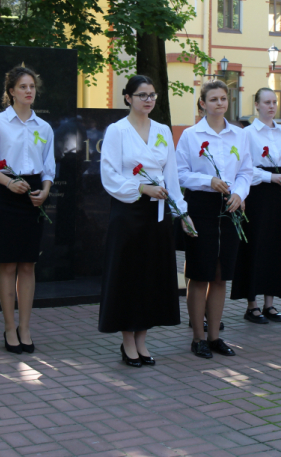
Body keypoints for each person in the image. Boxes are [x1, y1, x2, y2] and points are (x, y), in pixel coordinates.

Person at [98, 75, 196, 367]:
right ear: (128, 98)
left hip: (157, 216)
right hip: (128, 214)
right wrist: (140, 187)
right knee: (128, 278)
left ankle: (142, 339)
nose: (149, 99)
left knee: (150, 279)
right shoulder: (117, 131)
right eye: (142, 95)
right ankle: (127, 340)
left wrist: (183, 214)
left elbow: (173, 178)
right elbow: (110, 175)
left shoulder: (163, 130)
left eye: (152, 94)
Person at [0, 66, 55, 354]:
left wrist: (45, 191)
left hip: (33, 195)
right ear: (11, 91)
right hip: (5, 195)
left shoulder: (44, 127)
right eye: (23, 87)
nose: (29, 91)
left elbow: (48, 167)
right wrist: (9, 184)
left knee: (28, 263)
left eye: (32, 86)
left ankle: (25, 326)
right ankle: (9, 327)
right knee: (7, 263)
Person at [176, 80, 253, 359]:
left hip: (230, 207)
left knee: (221, 275)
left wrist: (240, 193)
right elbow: (180, 174)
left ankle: (215, 337)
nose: (220, 103)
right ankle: (198, 338)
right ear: (202, 103)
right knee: (199, 274)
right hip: (201, 206)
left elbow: (246, 171)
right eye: (213, 99)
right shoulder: (190, 135)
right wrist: (208, 180)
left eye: (223, 98)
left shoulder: (240, 135)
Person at [231, 88, 281, 324]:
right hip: (256, 196)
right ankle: (251, 304)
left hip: (279, 196)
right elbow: (241, 167)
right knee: (255, 247)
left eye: (274, 102)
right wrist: (267, 177)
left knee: (276, 247)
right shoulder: (247, 134)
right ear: (256, 105)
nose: (271, 106)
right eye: (266, 102)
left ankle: (269, 304)